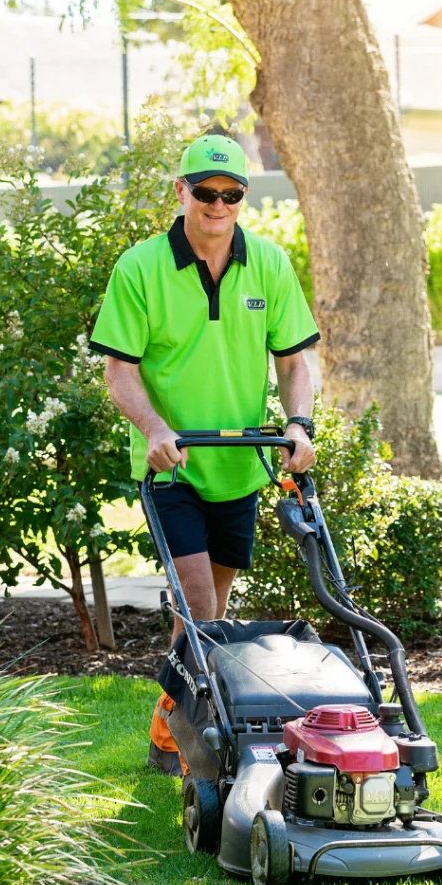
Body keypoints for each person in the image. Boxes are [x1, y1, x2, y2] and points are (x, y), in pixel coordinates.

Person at [90, 134, 320, 775]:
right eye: (205, 191)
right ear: (181, 191)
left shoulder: (269, 265)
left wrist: (297, 424)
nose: (218, 204)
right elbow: (119, 372)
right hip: (174, 465)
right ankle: (201, 734)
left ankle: (172, 722)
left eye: (231, 194)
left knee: (211, 613)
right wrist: (155, 428)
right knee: (195, 606)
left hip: (242, 464)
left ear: (244, 197)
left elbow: (293, 361)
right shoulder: (140, 268)